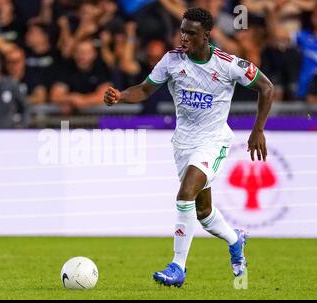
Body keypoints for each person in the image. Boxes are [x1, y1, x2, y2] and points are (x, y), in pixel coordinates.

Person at [104, 7, 274, 287]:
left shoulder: (228, 64)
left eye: (191, 33)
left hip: (213, 141)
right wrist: (120, 96)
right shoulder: (171, 61)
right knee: (203, 213)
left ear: (207, 35)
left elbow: (267, 88)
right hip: (183, 143)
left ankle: (177, 267)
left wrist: (258, 130)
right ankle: (235, 240)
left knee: (184, 195)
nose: (184, 37)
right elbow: (145, 89)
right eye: (182, 31)